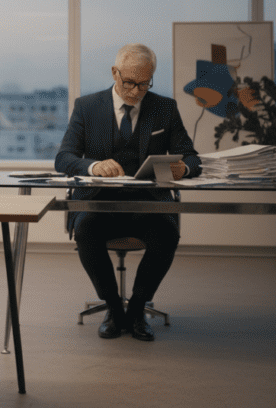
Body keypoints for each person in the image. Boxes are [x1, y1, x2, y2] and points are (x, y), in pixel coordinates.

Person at [55, 43, 200, 342]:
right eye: (129, 82)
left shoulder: (164, 108)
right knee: (85, 232)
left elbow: (192, 157)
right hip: (99, 205)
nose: (135, 91)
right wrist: (93, 167)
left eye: (144, 84)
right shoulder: (87, 107)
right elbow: (64, 158)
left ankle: (135, 309)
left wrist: (183, 169)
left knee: (167, 234)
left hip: (148, 205)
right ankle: (112, 308)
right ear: (115, 73)